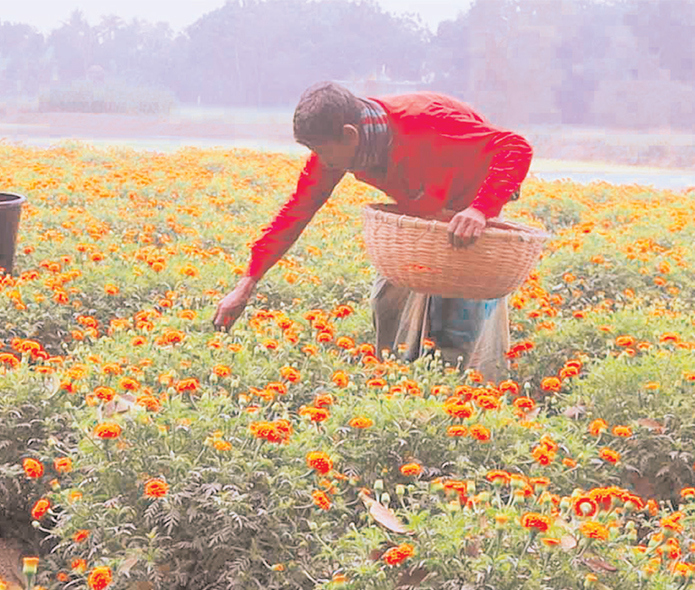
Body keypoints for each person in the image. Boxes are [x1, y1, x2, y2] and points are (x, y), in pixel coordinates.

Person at [212, 82, 533, 382]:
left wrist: (480, 209)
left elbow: (515, 148)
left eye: (323, 152)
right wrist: (248, 282)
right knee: (386, 301)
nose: (321, 161)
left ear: (350, 135)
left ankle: (454, 392)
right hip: (421, 205)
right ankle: (395, 383)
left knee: (454, 323)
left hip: (467, 204)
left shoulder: (427, 122)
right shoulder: (340, 148)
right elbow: (297, 212)